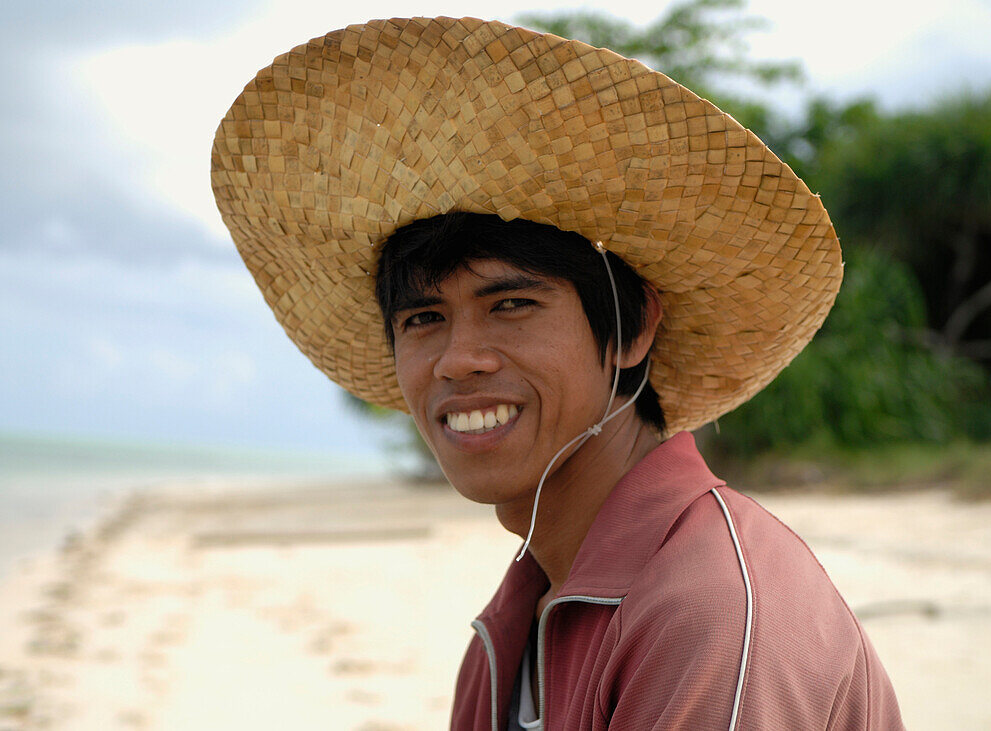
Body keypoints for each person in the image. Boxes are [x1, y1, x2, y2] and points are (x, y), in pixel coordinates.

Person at [210, 16, 904, 730]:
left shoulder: (710, 609)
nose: (458, 358)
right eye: (423, 319)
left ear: (632, 329)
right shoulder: (513, 630)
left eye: (510, 304)